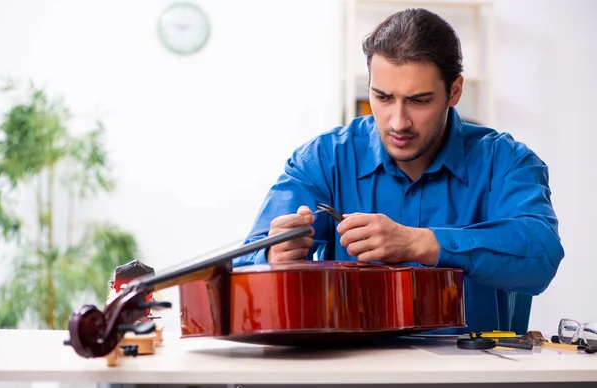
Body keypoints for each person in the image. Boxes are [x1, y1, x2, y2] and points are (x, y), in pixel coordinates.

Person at [233, 8, 564, 334]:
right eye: (383, 97)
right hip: (354, 379)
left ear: (455, 91)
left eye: (419, 101)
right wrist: (273, 256)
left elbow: (541, 255)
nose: (398, 122)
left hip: (472, 381)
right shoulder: (324, 159)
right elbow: (243, 268)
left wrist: (420, 243)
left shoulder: (506, 162)